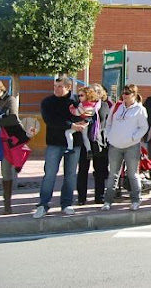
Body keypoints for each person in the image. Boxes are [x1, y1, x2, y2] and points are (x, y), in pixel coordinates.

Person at [35, 77, 88, 218]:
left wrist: (84, 123)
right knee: (50, 174)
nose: (56, 89)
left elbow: (88, 113)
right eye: (55, 86)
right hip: (54, 142)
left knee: (70, 174)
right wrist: (71, 125)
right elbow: (50, 120)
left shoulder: (77, 101)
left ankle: (66, 204)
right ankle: (43, 204)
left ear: (68, 87)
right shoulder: (47, 102)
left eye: (60, 86)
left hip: (74, 143)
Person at [101, 84, 149, 211]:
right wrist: (109, 136)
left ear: (134, 95)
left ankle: (136, 200)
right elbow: (108, 122)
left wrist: (133, 138)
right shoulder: (117, 106)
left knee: (133, 174)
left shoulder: (140, 109)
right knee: (113, 174)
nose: (124, 95)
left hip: (131, 146)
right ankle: (108, 201)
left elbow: (144, 127)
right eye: (123, 93)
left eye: (127, 93)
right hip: (115, 146)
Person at [0, 77, 25, 215]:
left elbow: (13, 118)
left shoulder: (9, 99)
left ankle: (7, 205)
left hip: (6, 141)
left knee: (6, 171)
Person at [76, 83, 111, 205]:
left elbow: (107, 122)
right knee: (83, 170)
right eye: (92, 90)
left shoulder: (105, 106)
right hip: (85, 141)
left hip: (100, 141)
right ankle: (81, 198)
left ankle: (99, 196)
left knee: (100, 171)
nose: (94, 92)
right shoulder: (83, 105)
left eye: (97, 91)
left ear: (101, 93)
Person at [66, 86, 98, 153]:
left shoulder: (83, 105)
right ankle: (89, 150)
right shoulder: (93, 105)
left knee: (68, 132)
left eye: (81, 95)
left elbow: (77, 112)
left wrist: (71, 108)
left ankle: (70, 148)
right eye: (79, 96)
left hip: (80, 122)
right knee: (85, 137)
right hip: (85, 123)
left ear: (88, 95)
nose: (79, 97)